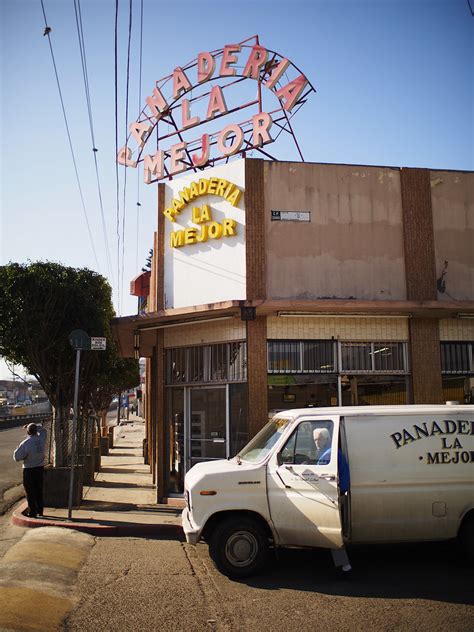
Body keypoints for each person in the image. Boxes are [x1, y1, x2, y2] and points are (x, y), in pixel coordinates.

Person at [313, 427, 352, 578]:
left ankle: (345, 566)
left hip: (332, 496)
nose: (316, 442)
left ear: (327, 439)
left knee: (331, 533)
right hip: (339, 494)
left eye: (319, 439)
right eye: (315, 439)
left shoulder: (327, 455)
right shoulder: (335, 453)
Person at [13, 423, 47, 518]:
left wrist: (17, 450)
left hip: (29, 469)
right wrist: (35, 426)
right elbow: (44, 430)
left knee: (30, 492)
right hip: (40, 468)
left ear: (28, 432)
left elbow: (17, 457)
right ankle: (40, 510)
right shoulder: (41, 439)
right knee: (39, 490)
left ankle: (32, 511)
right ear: (36, 431)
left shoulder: (25, 443)